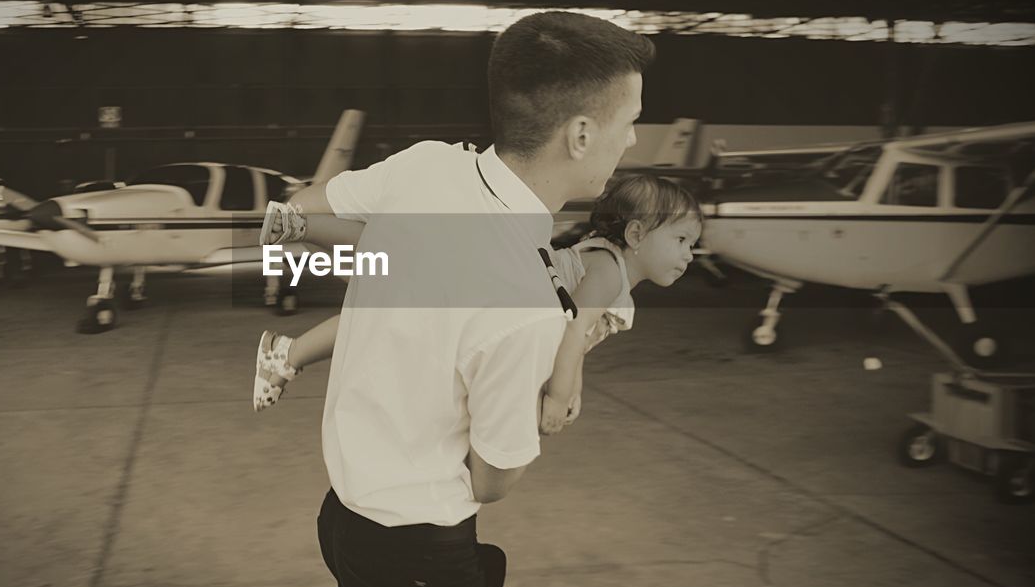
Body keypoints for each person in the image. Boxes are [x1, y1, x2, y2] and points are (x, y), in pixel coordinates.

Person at [275, 10, 655, 587]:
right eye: (630, 120)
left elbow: (303, 207)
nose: (633, 138)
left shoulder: (423, 168)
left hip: (345, 522)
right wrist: (553, 408)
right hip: (419, 559)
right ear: (581, 133)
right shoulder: (524, 301)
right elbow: (491, 480)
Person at [253, 173, 704, 438]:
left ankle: (289, 336)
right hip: (492, 282)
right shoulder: (608, 270)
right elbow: (571, 332)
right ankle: (300, 235)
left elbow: (574, 336)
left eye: (693, 244)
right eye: (681, 241)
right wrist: (560, 393)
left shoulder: (612, 276)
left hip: (492, 292)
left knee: (396, 286)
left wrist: (571, 385)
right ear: (637, 235)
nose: (689, 254)